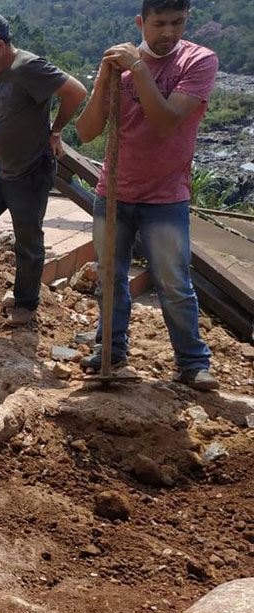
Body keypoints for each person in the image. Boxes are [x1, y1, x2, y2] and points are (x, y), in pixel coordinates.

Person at [75, 0, 218, 390]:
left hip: (166, 196)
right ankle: (110, 349)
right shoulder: (118, 65)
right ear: (141, 22)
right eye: (159, 24)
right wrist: (105, 80)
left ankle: (192, 362)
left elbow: (166, 122)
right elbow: (86, 133)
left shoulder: (198, 61)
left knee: (173, 282)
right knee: (109, 278)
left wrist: (138, 69)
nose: (168, 32)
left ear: (187, 19)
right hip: (114, 190)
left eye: (177, 22)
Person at [0, 12, 86, 326]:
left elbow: (76, 91)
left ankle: (26, 304)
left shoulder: (28, 67)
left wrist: (56, 131)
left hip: (30, 172)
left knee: (27, 240)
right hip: (1, 170)